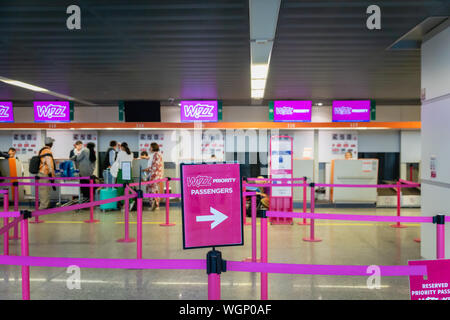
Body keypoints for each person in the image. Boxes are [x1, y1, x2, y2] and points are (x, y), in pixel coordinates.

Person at [144, 142, 164, 211]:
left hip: (155, 175)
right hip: (154, 174)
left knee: (152, 189)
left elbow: (155, 166)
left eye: (150, 147)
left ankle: (155, 204)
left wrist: (148, 170)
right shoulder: (155, 154)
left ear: (153, 147)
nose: (150, 148)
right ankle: (154, 204)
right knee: (153, 189)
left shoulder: (156, 154)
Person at [38, 137, 56, 210]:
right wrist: (52, 174)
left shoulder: (42, 150)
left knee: (45, 190)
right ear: (51, 144)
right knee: (44, 191)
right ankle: (43, 207)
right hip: (44, 172)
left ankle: (45, 205)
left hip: (42, 172)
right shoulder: (47, 151)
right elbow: (49, 163)